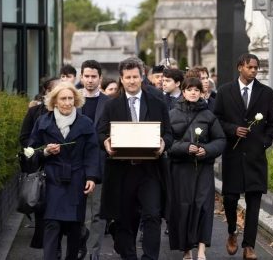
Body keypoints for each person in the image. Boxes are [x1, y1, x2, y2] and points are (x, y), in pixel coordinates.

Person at [97, 57, 172, 260]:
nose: (132, 81)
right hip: (122, 170)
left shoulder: (157, 103)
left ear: (142, 77)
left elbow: (169, 133)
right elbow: (100, 133)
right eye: (128, 77)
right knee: (124, 219)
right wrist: (106, 143)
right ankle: (129, 255)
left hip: (150, 170)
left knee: (152, 215)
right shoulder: (111, 105)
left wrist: (164, 144)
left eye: (135, 77)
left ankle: (149, 258)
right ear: (121, 79)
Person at [213, 53, 273, 260]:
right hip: (232, 155)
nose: (254, 70)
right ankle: (232, 231)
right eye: (250, 67)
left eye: (256, 68)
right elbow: (216, 120)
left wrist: (263, 143)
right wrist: (233, 129)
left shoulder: (266, 93)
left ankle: (249, 246)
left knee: (254, 202)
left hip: (255, 157)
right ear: (239, 67)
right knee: (230, 199)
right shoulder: (224, 92)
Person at [28, 82, 99, 260]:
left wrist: (91, 176)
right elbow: (31, 150)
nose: (67, 102)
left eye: (70, 98)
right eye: (63, 99)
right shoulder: (42, 122)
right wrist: (45, 151)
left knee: (75, 225)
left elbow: (92, 152)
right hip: (52, 179)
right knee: (51, 223)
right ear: (54, 102)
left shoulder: (85, 123)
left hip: (77, 179)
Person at [167, 77, 226, 260]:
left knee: (203, 206)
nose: (193, 92)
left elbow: (221, 140)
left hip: (203, 169)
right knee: (184, 207)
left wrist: (206, 150)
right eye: (189, 89)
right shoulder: (171, 114)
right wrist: (185, 148)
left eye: (197, 90)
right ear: (183, 92)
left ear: (202, 93)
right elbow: (166, 142)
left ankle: (201, 250)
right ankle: (186, 250)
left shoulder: (208, 115)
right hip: (180, 170)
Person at [19, 76, 60, 250]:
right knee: (42, 204)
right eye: (55, 89)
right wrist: (40, 150)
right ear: (47, 92)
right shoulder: (35, 112)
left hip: (64, 168)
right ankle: (44, 243)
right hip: (41, 167)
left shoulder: (72, 111)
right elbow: (24, 138)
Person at [79, 60, 111, 260]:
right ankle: (80, 246)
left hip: (101, 162)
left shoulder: (109, 102)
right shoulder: (71, 100)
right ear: (81, 77)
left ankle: (94, 252)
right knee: (78, 211)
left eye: (94, 76)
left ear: (100, 78)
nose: (90, 80)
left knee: (98, 211)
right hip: (75, 164)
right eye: (86, 76)